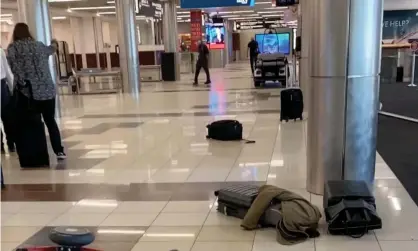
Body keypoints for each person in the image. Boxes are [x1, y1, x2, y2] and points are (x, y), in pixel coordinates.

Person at [7, 23, 66, 159]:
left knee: (32, 124)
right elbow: (52, 49)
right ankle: (59, 151)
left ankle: (36, 153)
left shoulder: (13, 48)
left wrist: (21, 84)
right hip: (47, 90)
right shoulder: (39, 45)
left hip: (29, 93)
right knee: (50, 121)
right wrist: (54, 42)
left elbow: (15, 69)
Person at [0, 47, 15, 153]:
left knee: (7, 117)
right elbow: (7, 70)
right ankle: (11, 143)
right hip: (2, 86)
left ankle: (1, 144)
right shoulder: (0, 51)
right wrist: (12, 88)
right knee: (7, 117)